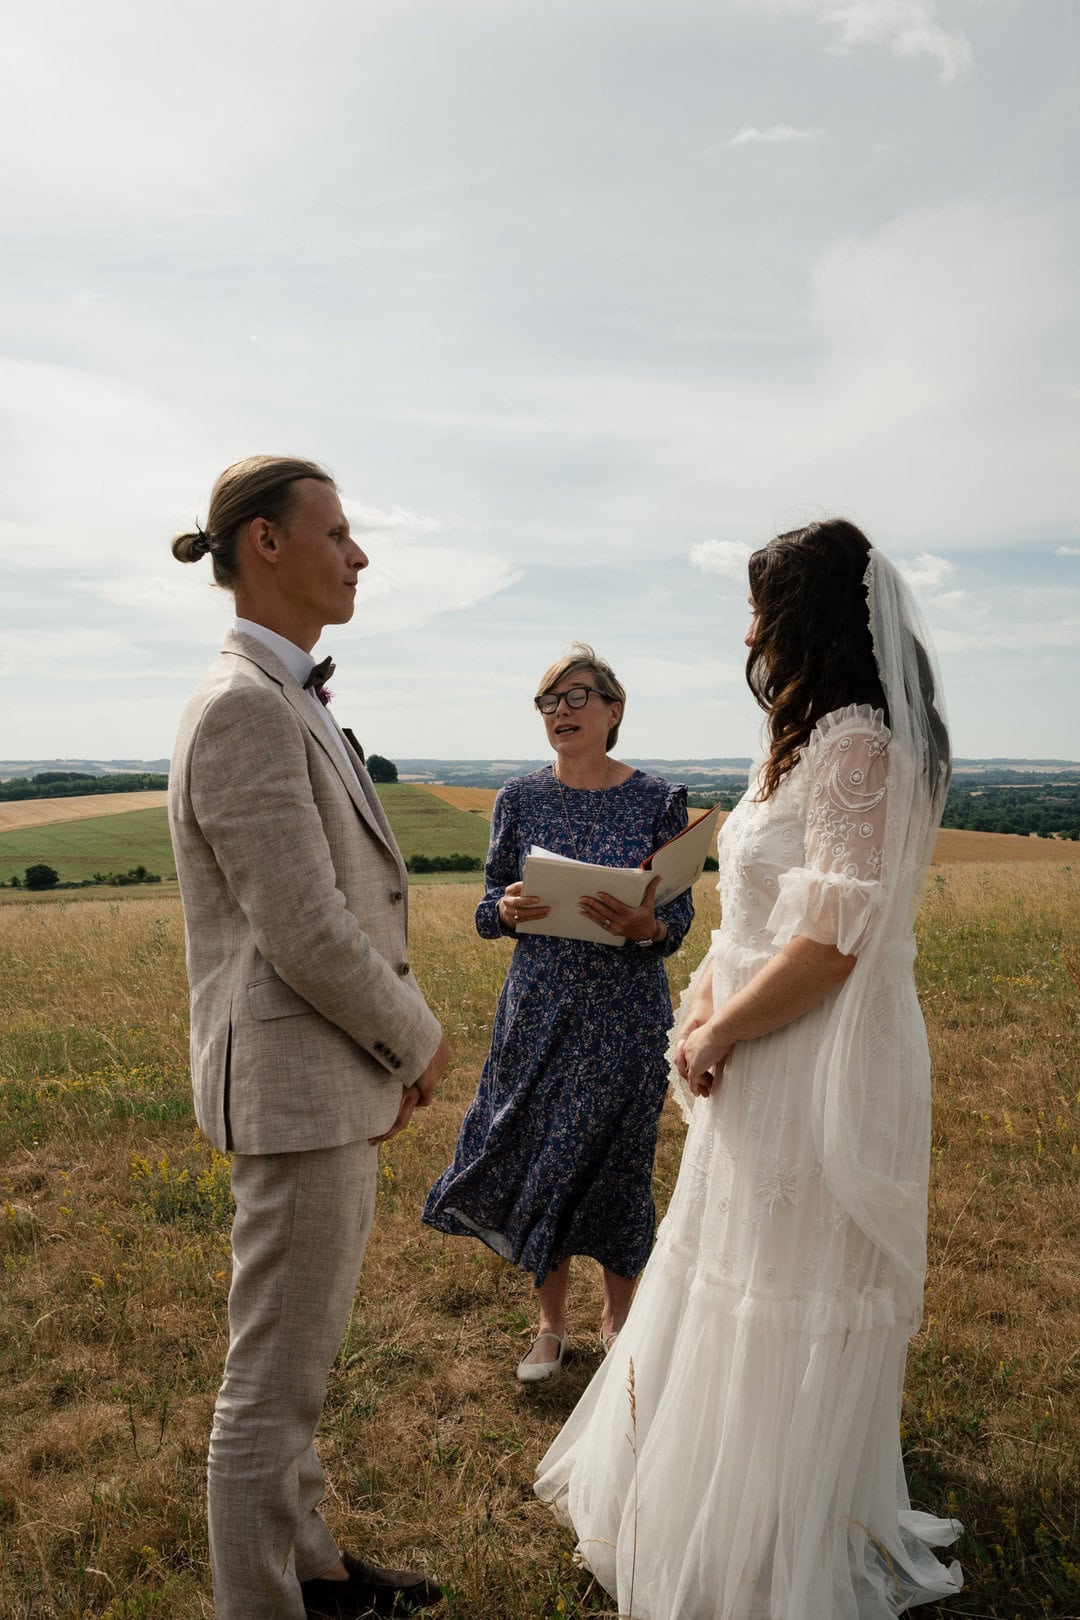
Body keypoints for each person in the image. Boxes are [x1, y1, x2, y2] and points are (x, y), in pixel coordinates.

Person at [535, 523, 964, 1619]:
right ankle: (712, 1492)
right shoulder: (813, 736)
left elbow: (830, 946)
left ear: (810, 620)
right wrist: (707, 1004)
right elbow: (765, 922)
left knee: (790, 1283)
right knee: (738, 1267)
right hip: (764, 1036)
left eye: (762, 611)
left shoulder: (860, 744)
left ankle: (776, 1526)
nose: (749, 633)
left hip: (816, 1051)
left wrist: (721, 1033)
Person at [168, 455, 449, 1620]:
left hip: (322, 1079)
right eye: (338, 531)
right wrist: (417, 1040)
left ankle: (316, 1571)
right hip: (295, 1086)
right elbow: (307, 932)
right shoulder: (242, 706)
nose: (360, 553)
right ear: (267, 544)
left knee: (300, 1364)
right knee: (268, 1390)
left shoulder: (281, 695)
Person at [423, 644, 694, 1383]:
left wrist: (650, 928)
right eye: (549, 702)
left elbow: (681, 915)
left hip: (625, 1016)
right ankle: (549, 1325)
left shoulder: (659, 799)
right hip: (537, 1011)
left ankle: (619, 1319)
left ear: (614, 710)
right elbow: (487, 906)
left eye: (576, 698)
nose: (561, 713)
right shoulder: (519, 799)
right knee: (546, 1157)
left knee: (615, 1165)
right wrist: (503, 909)